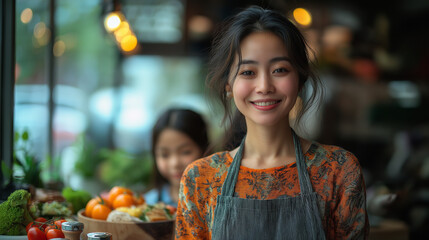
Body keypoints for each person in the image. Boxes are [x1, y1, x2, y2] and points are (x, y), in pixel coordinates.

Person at [175, 6, 369, 240]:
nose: (265, 86)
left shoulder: (339, 170)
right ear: (228, 85)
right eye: (248, 72)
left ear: (299, 80)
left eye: (280, 69)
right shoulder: (200, 179)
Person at [145, 108, 209, 207]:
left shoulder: (219, 201)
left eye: (185, 152)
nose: (175, 163)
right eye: (164, 155)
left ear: (204, 149)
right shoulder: (148, 205)